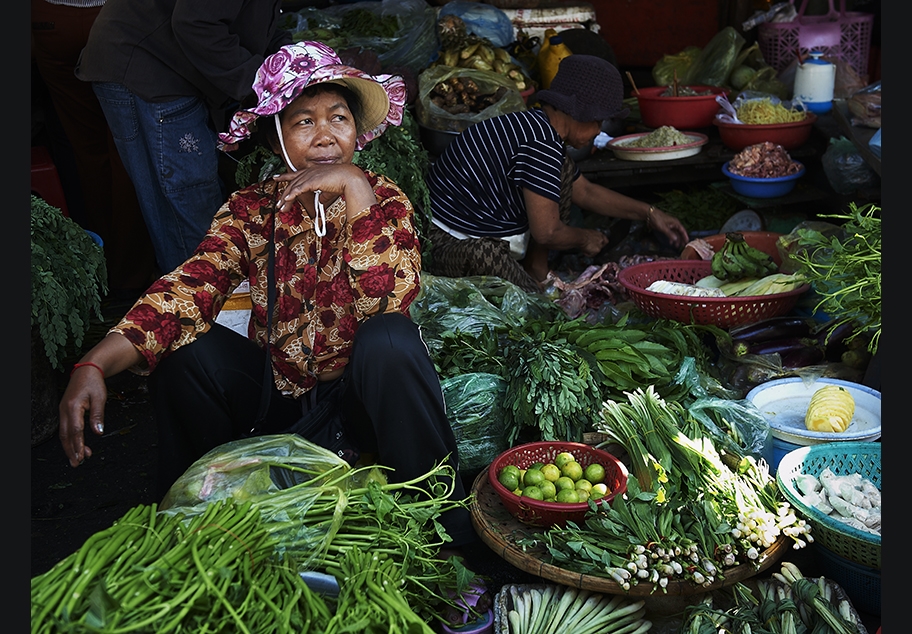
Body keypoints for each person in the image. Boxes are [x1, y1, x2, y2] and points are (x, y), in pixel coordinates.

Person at [58, 41, 476, 548]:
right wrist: (94, 364)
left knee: (391, 339)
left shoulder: (384, 199)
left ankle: (443, 530)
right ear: (277, 134)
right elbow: (191, 287)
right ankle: (201, 517)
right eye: (303, 122)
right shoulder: (253, 208)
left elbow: (388, 301)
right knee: (186, 351)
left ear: (357, 132)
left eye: (338, 118)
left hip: (367, 407)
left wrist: (354, 188)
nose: (324, 136)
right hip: (281, 402)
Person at [425, 54, 690, 293]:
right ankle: (534, 279)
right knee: (532, 305)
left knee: (563, 173)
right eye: (597, 121)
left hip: (476, 232)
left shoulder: (537, 128)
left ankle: (536, 268)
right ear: (578, 112)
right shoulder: (540, 143)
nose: (598, 130)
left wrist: (650, 213)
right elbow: (547, 233)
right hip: (448, 245)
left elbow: (584, 191)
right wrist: (585, 238)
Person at [73, 0, 293, 274]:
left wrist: (295, 64)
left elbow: (261, 20)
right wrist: (261, 82)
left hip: (170, 64)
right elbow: (196, 24)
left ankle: (201, 300)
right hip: (148, 64)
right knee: (188, 198)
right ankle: (202, 302)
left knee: (183, 198)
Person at [31, 0, 157, 295]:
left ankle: (100, 268)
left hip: (51, 19)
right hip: (116, 16)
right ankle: (129, 277)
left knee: (87, 151)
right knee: (126, 152)